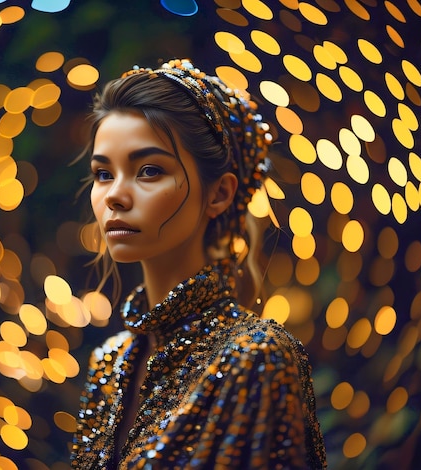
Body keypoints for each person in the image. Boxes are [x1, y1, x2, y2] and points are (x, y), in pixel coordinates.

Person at [70, 58, 327, 469]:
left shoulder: (257, 356)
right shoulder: (109, 362)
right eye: (103, 173)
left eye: (149, 170)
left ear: (220, 194)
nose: (115, 195)